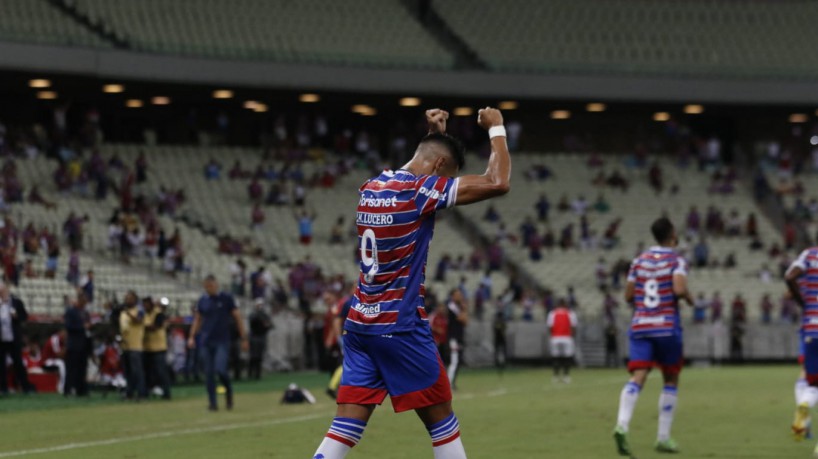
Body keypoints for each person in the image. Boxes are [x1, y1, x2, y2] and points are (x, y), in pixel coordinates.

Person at [312, 107, 510, 459]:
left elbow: (420, 163)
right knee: (442, 423)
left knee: (345, 427)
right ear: (437, 170)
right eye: (446, 177)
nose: (444, 186)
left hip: (360, 324)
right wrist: (497, 130)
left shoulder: (371, 187)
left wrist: (436, 138)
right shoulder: (418, 192)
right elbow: (498, 182)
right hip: (399, 326)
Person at [613, 217, 693, 456]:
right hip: (666, 326)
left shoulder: (639, 261)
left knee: (638, 377)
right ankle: (663, 438)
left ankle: (622, 425)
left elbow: (628, 296)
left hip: (640, 325)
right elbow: (678, 289)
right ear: (672, 234)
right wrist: (689, 297)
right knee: (670, 379)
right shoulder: (676, 260)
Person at [188, 275, 249, 411]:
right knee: (209, 373)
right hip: (206, 340)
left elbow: (237, 317)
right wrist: (192, 336)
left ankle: (228, 392)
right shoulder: (203, 300)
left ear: (216, 285)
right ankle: (212, 403)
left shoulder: (226, 298)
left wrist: (243, 338)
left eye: (210, 285)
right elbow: (198, 319)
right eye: (206, 286)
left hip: (222, 340)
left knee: (220, 370)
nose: (208, 288)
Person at [786, 246, 818, 444]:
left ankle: (804, 417)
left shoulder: (809, 255)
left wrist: (803, 301)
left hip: (810, 328)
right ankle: (804, 417)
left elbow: (789, 279)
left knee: (808, 377)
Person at [0, 284, 35, 394]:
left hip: (13, 338)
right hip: (2, 339)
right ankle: (3, 388)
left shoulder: (16, 302)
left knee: (18, 362)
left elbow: (24, 316)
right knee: (1, 364)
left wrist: (16, 317)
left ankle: (25, 386)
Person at [120, 291, 146, 400]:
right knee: (128, 372)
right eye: (126, 298)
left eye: (129, 298)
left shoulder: (139, 311)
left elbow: (138, 321)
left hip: (136, 345)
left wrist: (128, 313)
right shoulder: (122, 313)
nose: (127, 300)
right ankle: (129, 393)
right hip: (125, 346)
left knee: (137, 371)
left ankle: (142, 393)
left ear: (135, 299)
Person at [64, 292, 91, 396]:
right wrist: (82, 327)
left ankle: (81, 389)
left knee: (82, 368)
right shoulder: (71, 311)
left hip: (83, 344)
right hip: (74, 344)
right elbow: (69, 327)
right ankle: (69, 389)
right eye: (83, 301)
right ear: (79, 300)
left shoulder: (85, 313)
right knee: (71, 368)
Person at [143, 297, 171, 399]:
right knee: (148, 372)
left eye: (147, 304)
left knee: (161, 371)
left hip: (159, 347)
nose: (145, 306)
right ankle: (148, 391)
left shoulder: (159, 313)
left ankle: (166, 392)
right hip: (147, 347)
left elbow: (154, 327)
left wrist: (142, 326)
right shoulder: (145, 314)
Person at [546, 298, 578, 384]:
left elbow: (550, 327)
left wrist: (553, 335)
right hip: (567, 337)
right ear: (565, 304)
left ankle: (555, 376)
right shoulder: (570, 313)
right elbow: (574, 327)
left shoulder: (552, 313)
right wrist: (572, 335)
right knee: (567, 357)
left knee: (556, 357)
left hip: (555, 337)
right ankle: (566, 375)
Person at [446, 289, 468, 390]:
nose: (460, 297)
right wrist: (464, 309)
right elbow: (462, 319)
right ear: (453, 296)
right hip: (453, 338)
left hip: (459, 337)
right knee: (454, 360)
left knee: (457, 361)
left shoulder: (458, 307)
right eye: (457, 295)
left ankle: (452, 382)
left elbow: (466, 322)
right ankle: (449, 383)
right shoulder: (452, 306)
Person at [247, 298, 273, 380]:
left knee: (259, 356)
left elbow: (270, 325)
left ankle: (257, 374)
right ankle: (250, 373)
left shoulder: (265, 315)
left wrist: (266, 325)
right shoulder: (253, 314)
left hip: (262, 336)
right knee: (253, 356)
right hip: (254, 337)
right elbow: (252, 321)